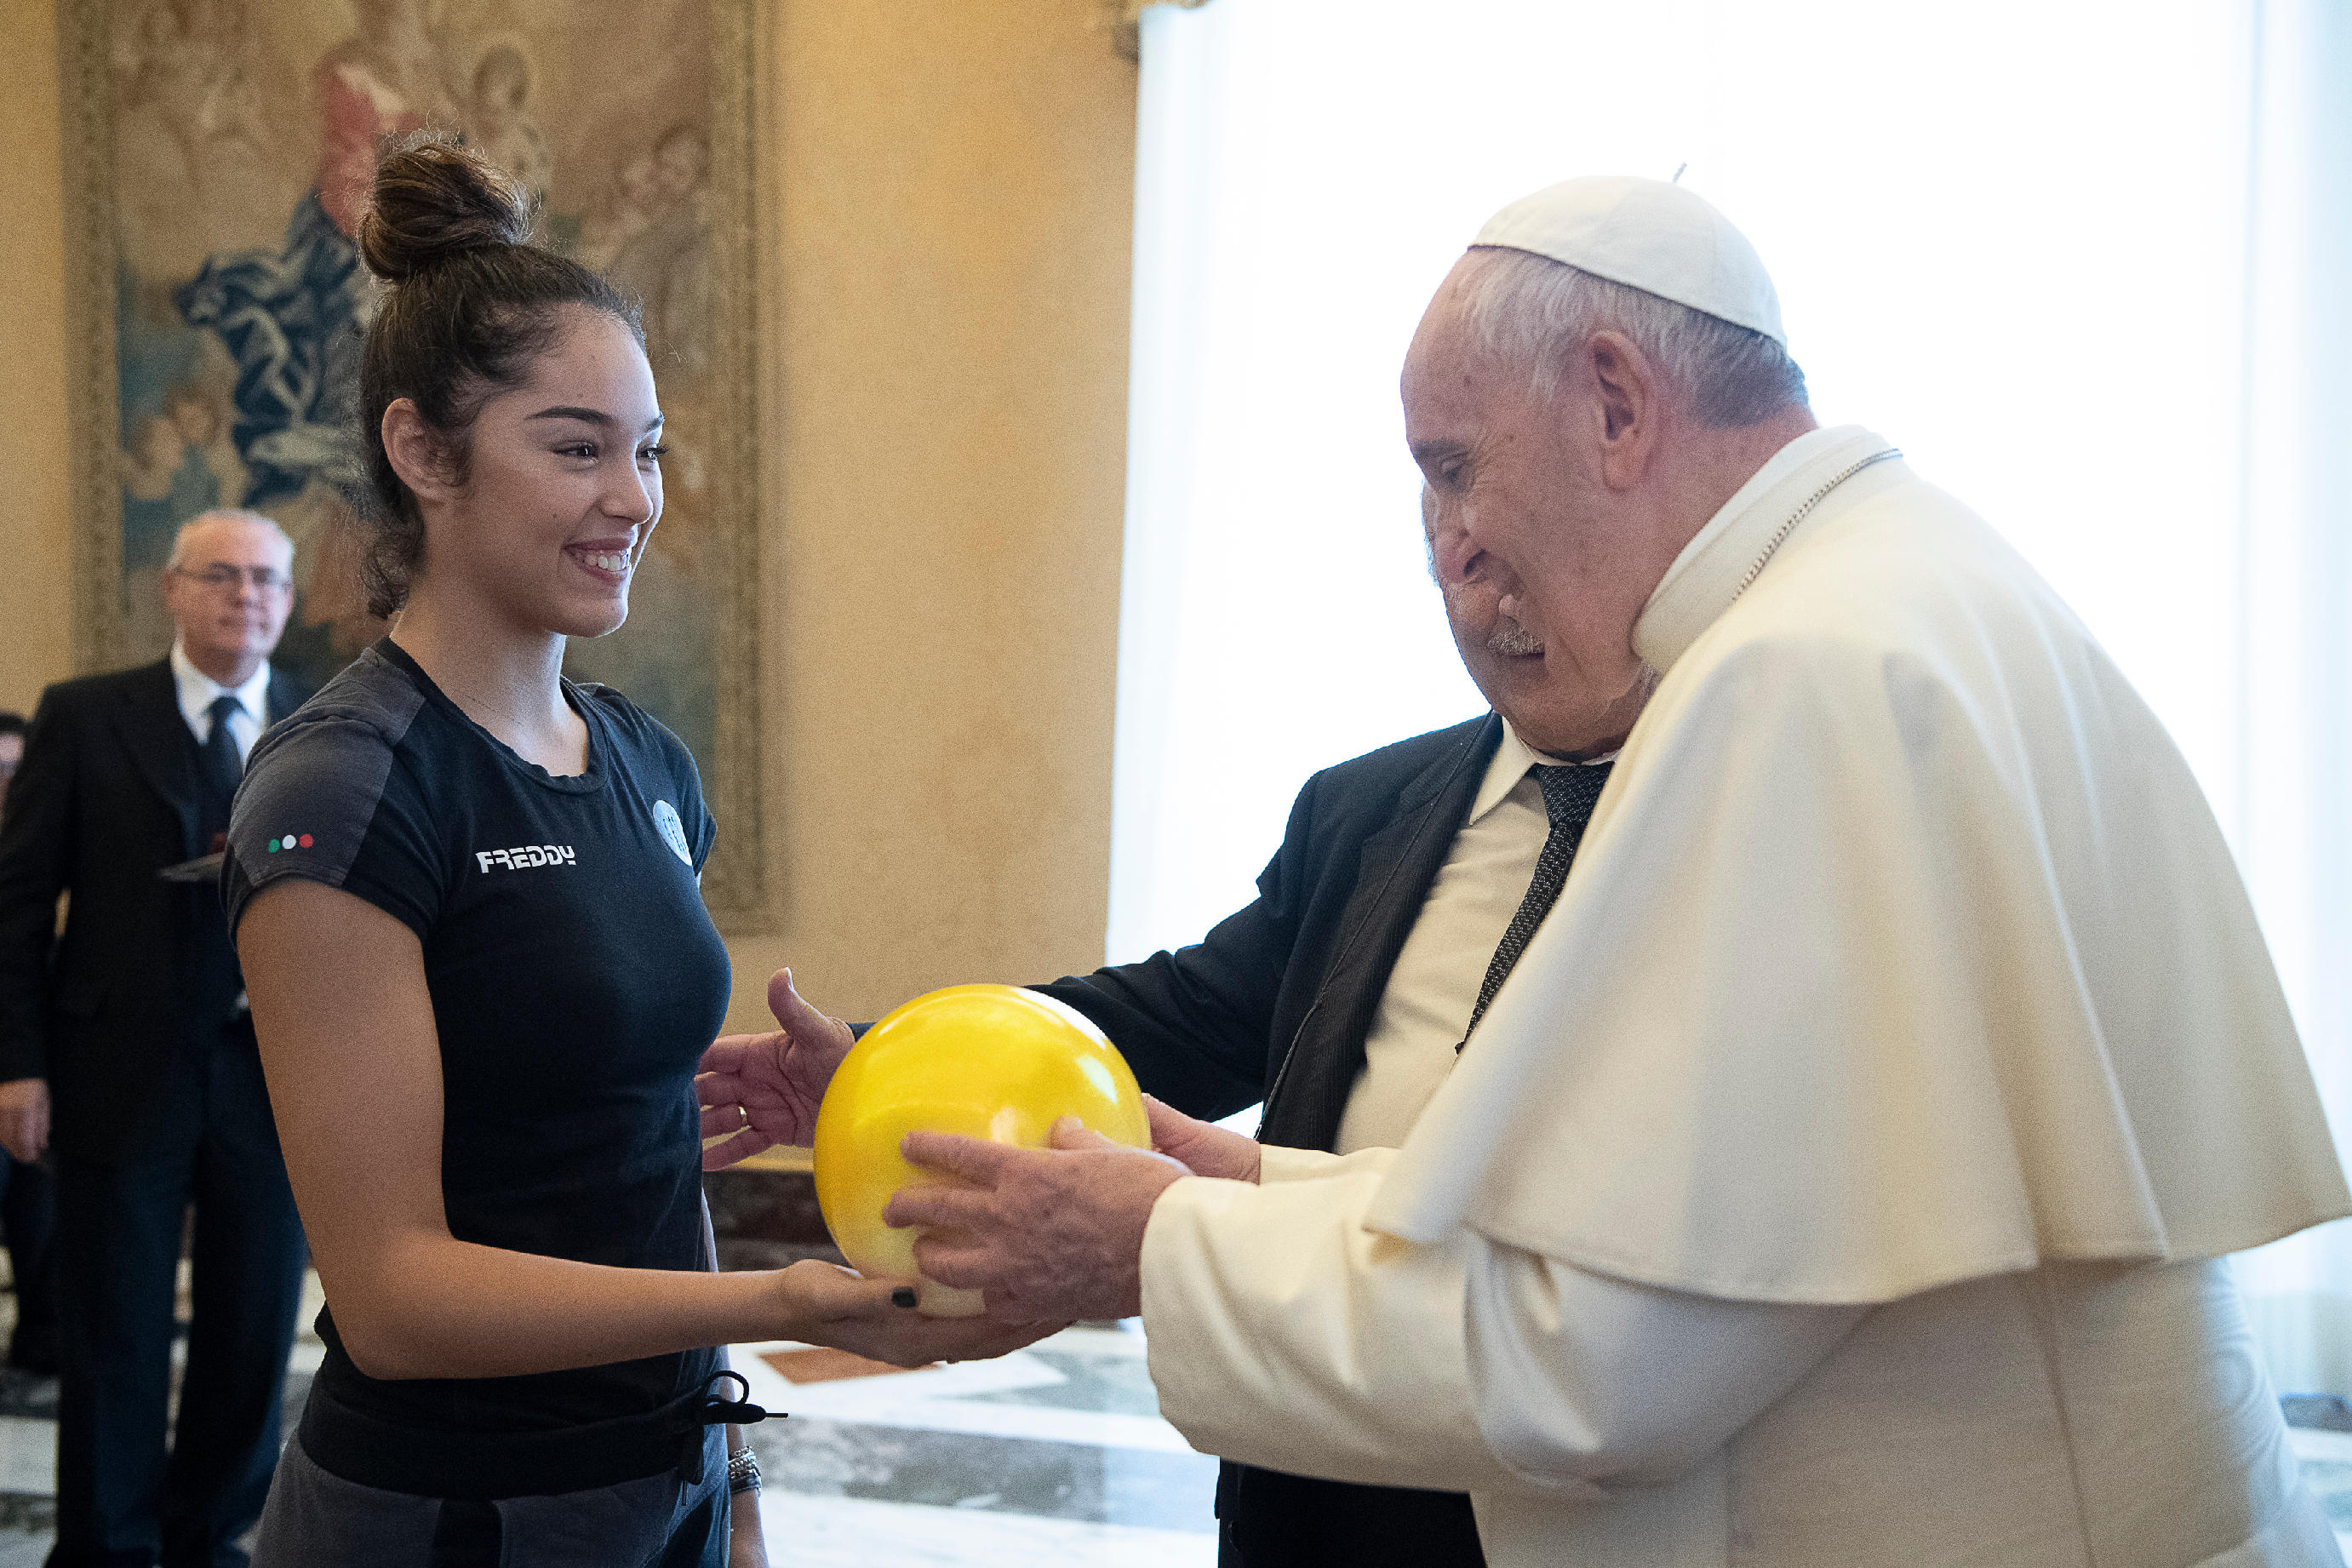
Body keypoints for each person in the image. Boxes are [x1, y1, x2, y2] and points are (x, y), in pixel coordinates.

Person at [708, 177, 2352, 1567]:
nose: (1448, 534)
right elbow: (1671, 1233)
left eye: (1452, 462)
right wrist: (1243, 1188)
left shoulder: (1790, 678)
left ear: (1617, 403)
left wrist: (1152, 1246)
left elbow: (1600, 1358)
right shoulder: (1909, 589)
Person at [225, 134, 1043, 1568]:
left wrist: (728, 1468)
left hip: (661, 1484)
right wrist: (780, 1308)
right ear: (422, 452)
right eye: (576, 448)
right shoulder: (344, 790)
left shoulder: (644, 760)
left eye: (647, 448)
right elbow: (397, 1299)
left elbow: (635, 1159)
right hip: (447, 1514)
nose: (635, 496)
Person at [0, 509, 312, 1567]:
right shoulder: (85, 716)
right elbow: (17, 902)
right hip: (116, 1071)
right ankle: (105, 1548)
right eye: (221, 575)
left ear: (289, 599)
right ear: (172, 589)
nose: (246, 597)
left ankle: (212, 1541)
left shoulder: (324, 724)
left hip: (275, 1082)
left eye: (266, 580)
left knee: (253, 1328)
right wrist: (17, 1065)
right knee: (114, 1332)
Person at [0, 709, 56, 1376]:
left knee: (41, 1180)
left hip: (29, 1064)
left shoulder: (46, 855)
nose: (8, 785)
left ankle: (46, 1332)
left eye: (17, 770)